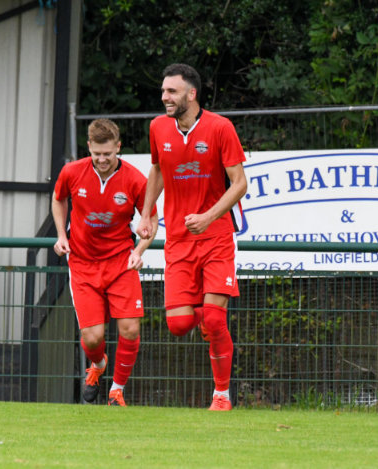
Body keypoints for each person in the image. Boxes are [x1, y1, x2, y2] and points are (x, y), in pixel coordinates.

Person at [136, 63, 248, 411]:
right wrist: (146, 212)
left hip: (216, 236)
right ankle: (205, 319)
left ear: (192, 93)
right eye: (163, 91)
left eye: (171, 91)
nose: (164, 97)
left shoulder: (220, 127)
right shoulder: (158, 127)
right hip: (179, 240)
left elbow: (240, 183)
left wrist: (209, 216)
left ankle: (221, 395)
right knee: (179, 324)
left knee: (214, 319)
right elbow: (157, 169)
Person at [52, 118, 158, 406]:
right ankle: (98, 365)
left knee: (130, 329)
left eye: (107, 154)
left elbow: (151, 219)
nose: (102, 159)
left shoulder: (135, 180)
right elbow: (58, 199)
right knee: (92, 338)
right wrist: (61, 235)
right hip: (82, 264)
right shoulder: (72, 172)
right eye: (96, 153)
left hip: (121, 262)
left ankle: (116, 390)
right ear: (89, 147)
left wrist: (139, 250)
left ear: (118, 147)